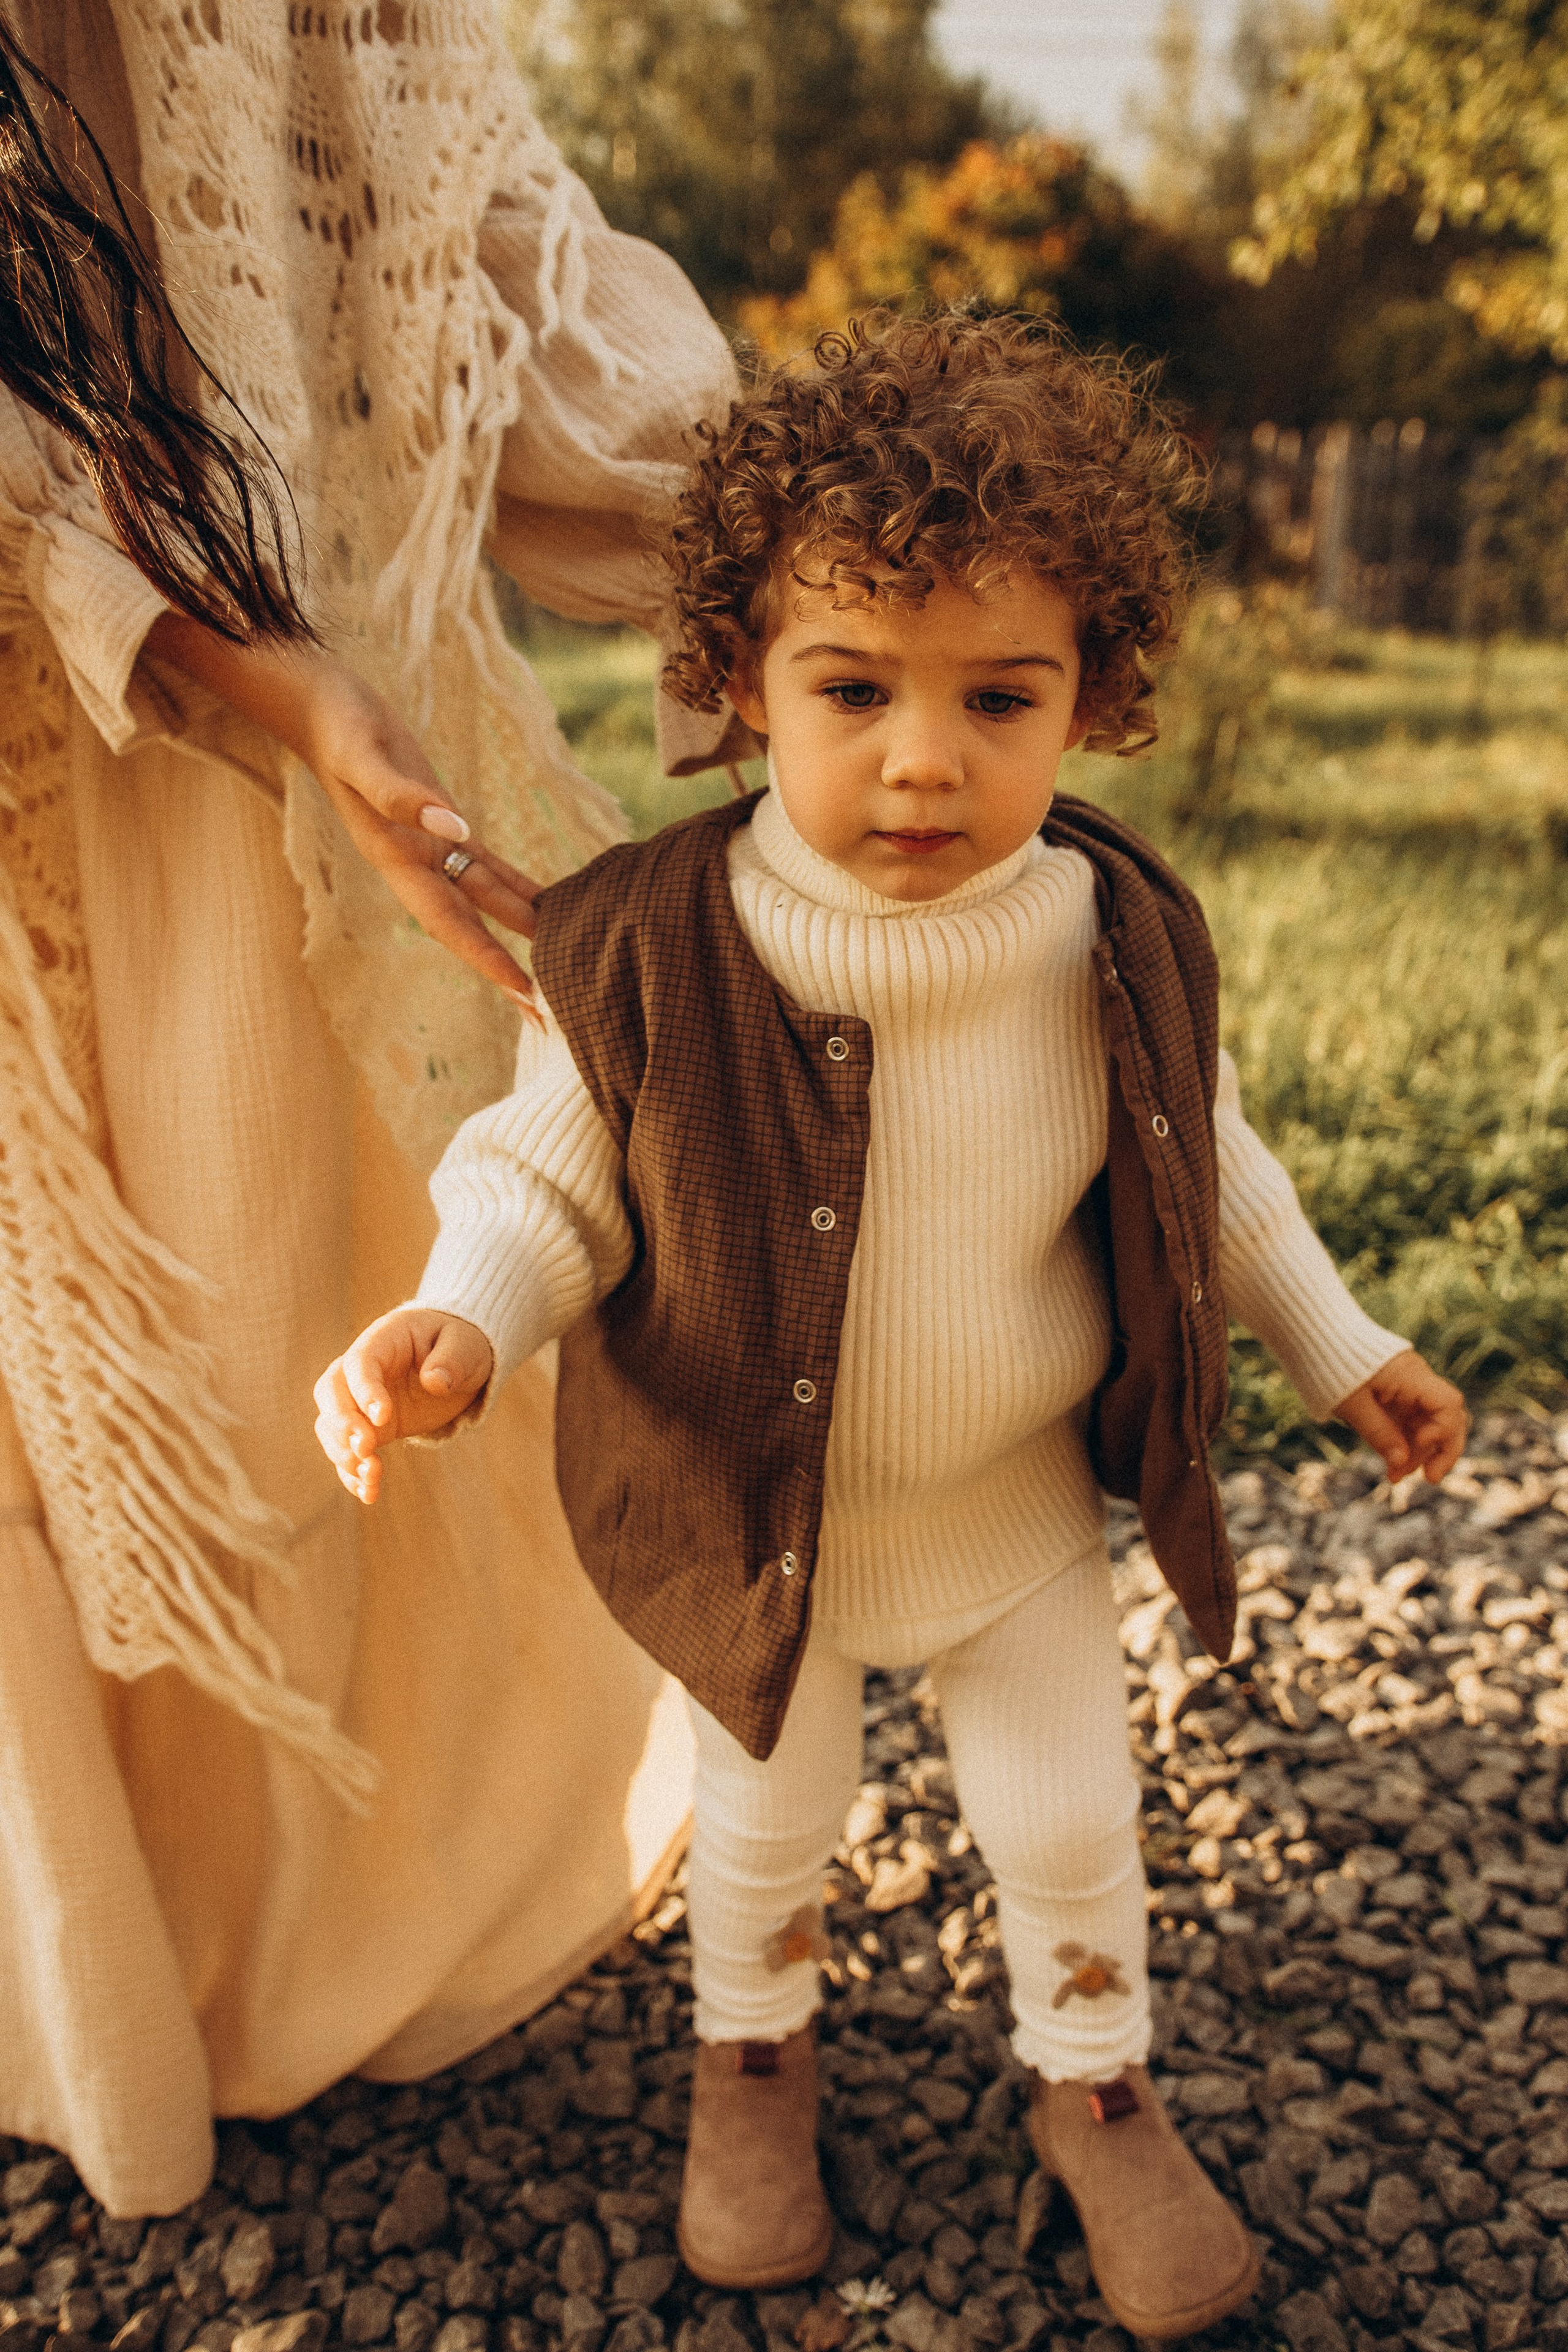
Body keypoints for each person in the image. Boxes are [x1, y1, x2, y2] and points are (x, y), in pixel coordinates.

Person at [314, 313, 1469, 2342]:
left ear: (1094, 695)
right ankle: (753, 2059)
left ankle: (1093, 2087)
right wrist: (460, 1319)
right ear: (739, 676)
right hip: (761, 1521)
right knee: (767, 1820)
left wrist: (1341, 1342)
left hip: (1013, 1514)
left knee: (1070, 1816)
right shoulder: (650, 946)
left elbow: (1204, 1168)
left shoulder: (1107, 936)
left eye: (999, 698)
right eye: (853, 690)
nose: (925, 759)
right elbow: (543, 1180)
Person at [0, 1, 748, 2218]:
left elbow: (473, 238)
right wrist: (250, 673)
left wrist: (835, 549)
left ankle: (298, 1922)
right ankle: (88, 1978)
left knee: (292, 1340)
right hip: (106, 724)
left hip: (288, 746)